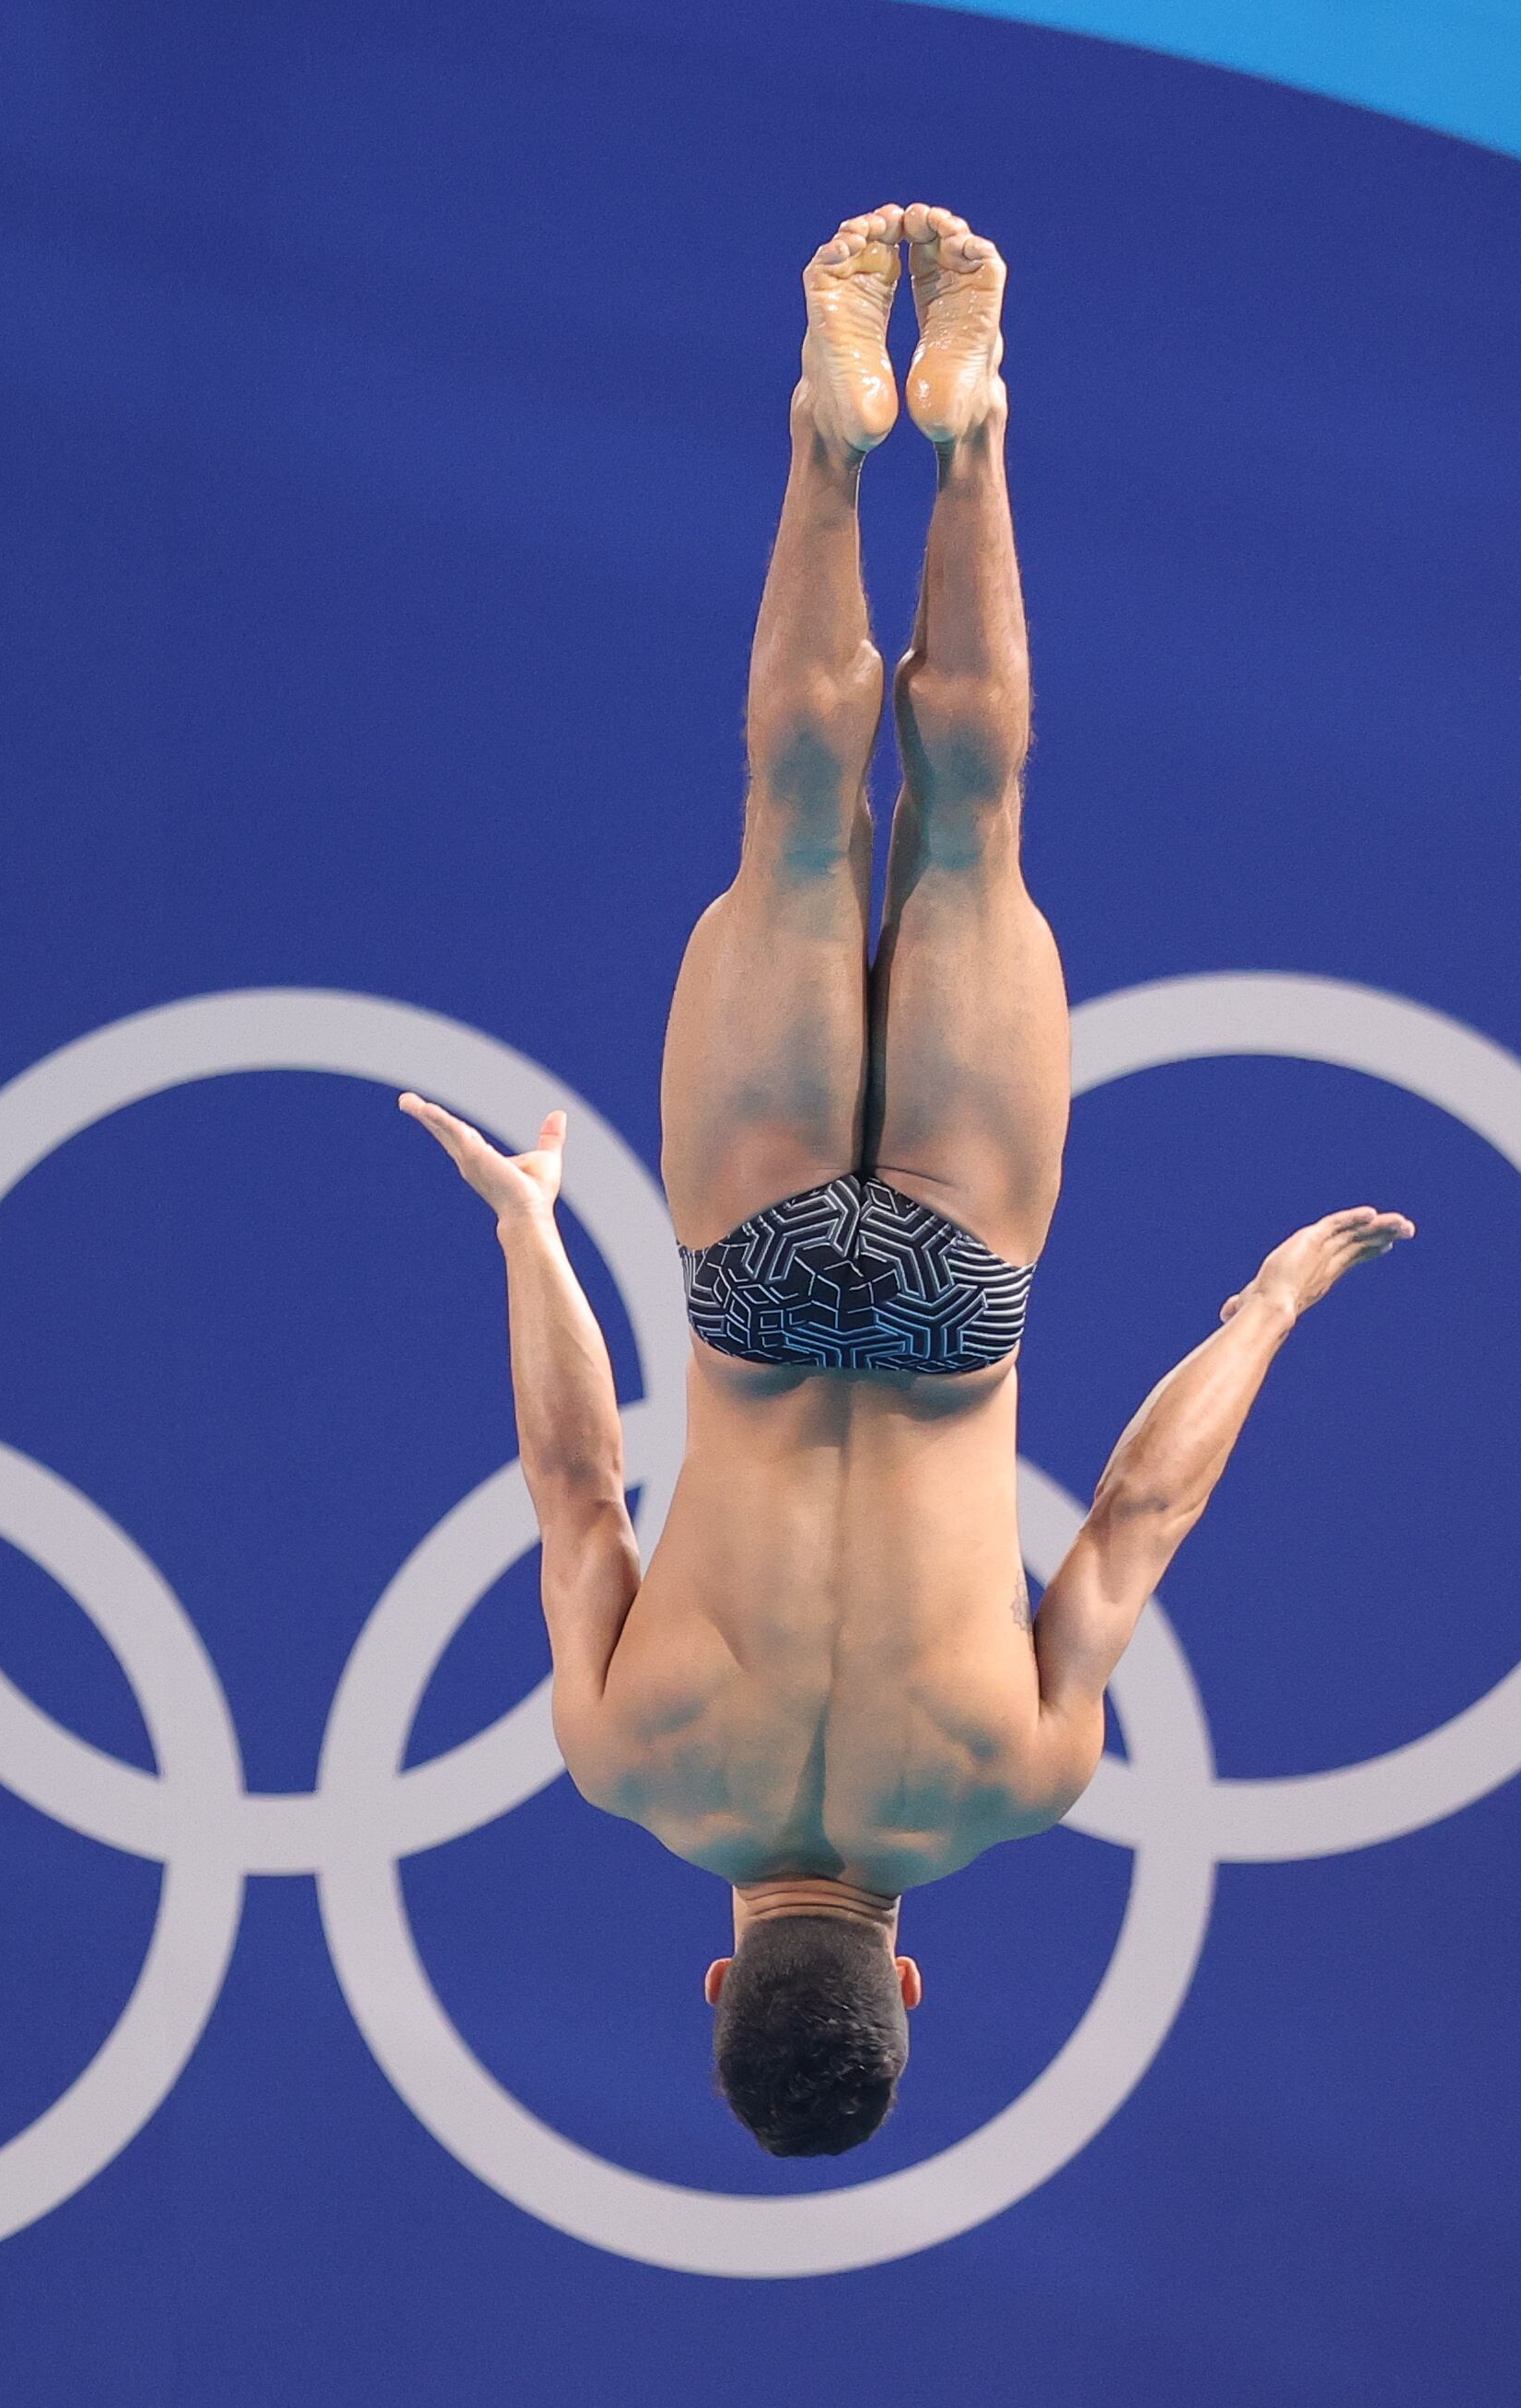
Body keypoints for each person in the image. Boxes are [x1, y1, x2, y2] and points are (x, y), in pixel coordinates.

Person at [398, 205, 1407, 2159]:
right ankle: (827, 426)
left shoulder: (1013, 1780)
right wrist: (526, 1224)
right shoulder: (623, 1764)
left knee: (974, 827)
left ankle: (973, 428)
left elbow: (1132, 1521)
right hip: (756, 1301)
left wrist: (1262, 1309)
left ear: (906, 1983)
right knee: (791, 818)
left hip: (952, 1308)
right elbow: (568, 1477)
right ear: (711, 1982)